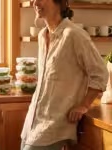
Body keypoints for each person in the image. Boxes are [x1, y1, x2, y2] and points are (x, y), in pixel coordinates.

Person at [21, 0, 108, 149]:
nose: (35, 2)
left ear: (59, 3)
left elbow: (100, 73)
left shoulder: (74, 35)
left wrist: (83, 106)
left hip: (55, 128)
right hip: (31, 125)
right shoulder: (43, 35)